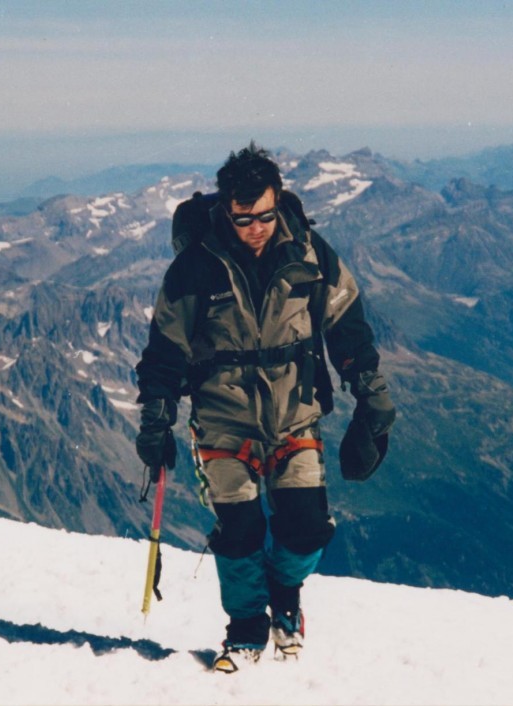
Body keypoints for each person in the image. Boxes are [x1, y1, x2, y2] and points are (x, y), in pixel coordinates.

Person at [135, 143, 395, 673]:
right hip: (222, 422)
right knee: (239, 534)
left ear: (280, 202)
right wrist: (156, 417)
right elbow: (164, 349)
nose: (256, 227)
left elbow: (346, 323)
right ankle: (247, 630)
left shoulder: (309, 253)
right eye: (244, 218)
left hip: (295, 415)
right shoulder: (194, 269)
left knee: (307, 528)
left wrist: (371, 393)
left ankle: (284, 593)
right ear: (227, 210)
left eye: (265, 215)